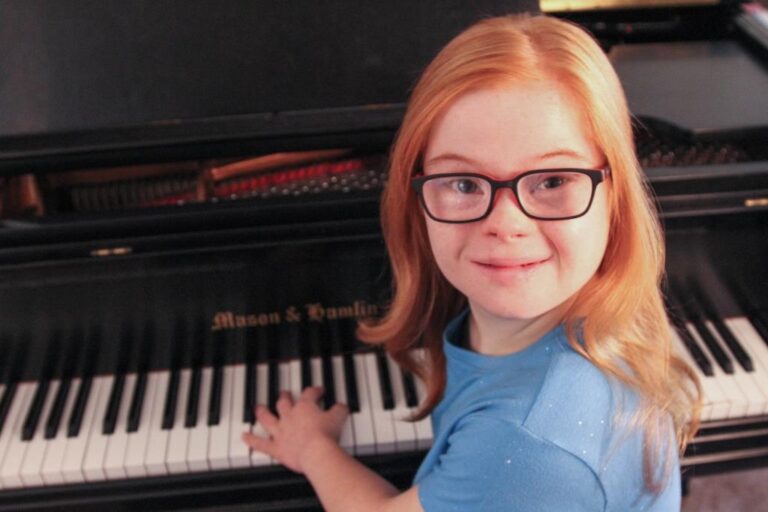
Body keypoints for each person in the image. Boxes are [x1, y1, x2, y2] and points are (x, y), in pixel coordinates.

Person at [242, 13, 701, 511]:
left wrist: (312, 448)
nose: (506, 225)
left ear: (615, 197)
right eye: (463, 183)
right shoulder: (592, 302)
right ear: (416, 196)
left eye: (552, 181)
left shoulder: (532, 445)